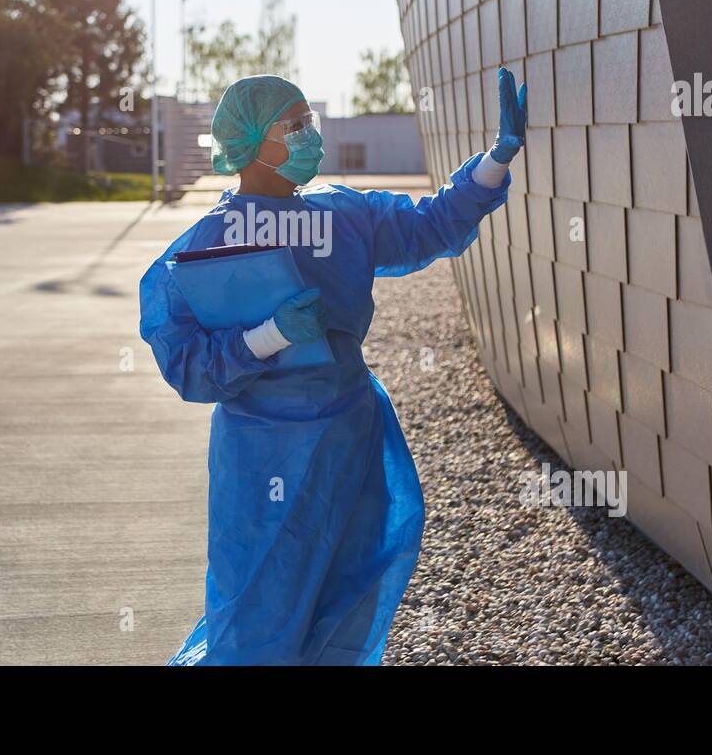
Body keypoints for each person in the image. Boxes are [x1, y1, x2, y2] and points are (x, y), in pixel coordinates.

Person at [139, 69, 528, 665]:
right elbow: (189, 365)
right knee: (258, 604)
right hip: (262, 453)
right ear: (250, 143)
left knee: (347, 592)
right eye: (292, 127)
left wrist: (495, 161)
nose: (308, 137)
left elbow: (432, 223)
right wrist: (267, 337)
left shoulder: (342, 216)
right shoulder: (208, 242)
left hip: (348, 436)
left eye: (309, 123)